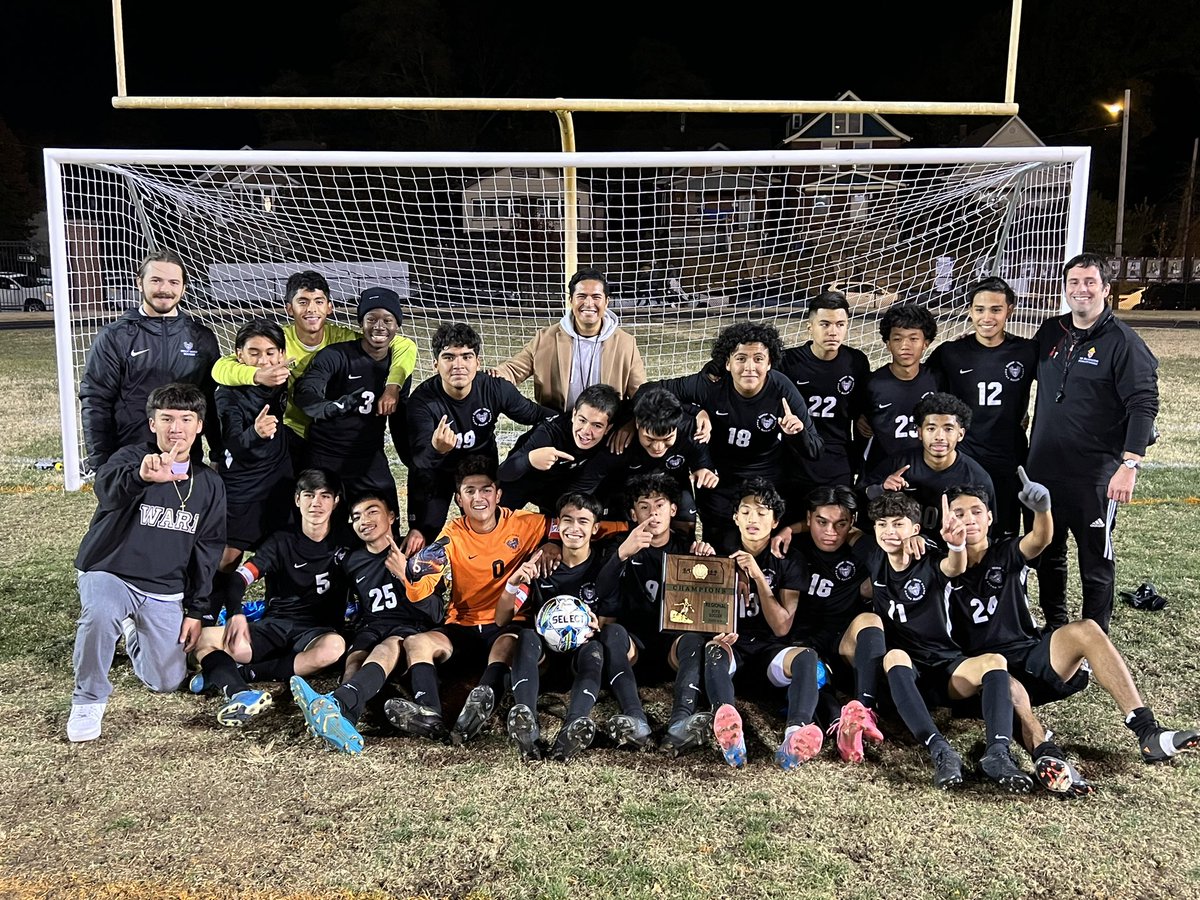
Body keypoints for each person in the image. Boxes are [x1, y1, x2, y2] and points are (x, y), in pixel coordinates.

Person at [944, 479, 1199, 786]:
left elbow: (1040, 539)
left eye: (976, 511)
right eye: (958, 513)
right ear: (945, 518)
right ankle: (1047, 755)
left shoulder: (1007, 551)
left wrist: (1042, 509)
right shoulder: (937, 564)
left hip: (1029, 656)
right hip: (982, 673)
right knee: (1004, 680)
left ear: (989, 518)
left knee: (1087, 629)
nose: (968, 519)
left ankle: (1147, 731)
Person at [68, 383, 226, 742]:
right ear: (152, 424)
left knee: (166, 680)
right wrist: (141, 476)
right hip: (110, 570)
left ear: (199, 426)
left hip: (164, 588)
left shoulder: (210, 484)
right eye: (166, 419)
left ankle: (131, 629)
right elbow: (107, 489)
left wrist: (196, 611)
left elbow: (208, 550)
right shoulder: (131, 459)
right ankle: (88, 700)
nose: (176, 428)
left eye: (186, 419)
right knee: (101, 613)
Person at [865, 491, 1033, 792]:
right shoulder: (874, 555)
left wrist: (955, 544)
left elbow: (955, 566)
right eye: (882, 525)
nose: (889, 532)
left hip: (946, 666)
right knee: (894, 656)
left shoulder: (930, 561)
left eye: (898, 524)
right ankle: (941, 750)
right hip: (908, 673)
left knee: (995, 661)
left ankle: (997, 753)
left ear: (915, 529)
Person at [1027, 253, 1160, 632]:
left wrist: (1129, 465)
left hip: (1094, 476)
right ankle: (1055, 627)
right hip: (1044, 471)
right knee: (1048, 554)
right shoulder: (1051, 331)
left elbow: (1143, 404)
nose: (1081, 290)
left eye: (1090, 282)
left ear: (1105, 288)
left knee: (1094, 561)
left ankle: (1092, 637)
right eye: (1074, 283)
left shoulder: (1124, 342)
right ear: (1065, 288)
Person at [398, 456, 558, 746]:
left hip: (506, 622)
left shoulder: (523, 523)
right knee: (416, 643)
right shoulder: (453, 534)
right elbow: (423, 586)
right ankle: (429, 714)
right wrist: (411, 578)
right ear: (459, 499)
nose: (479, 497)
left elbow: (567, 527)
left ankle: (479, 704)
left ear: (498, 494)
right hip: (463, 625)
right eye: (469, 491)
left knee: (508, 646)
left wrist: (553, 543)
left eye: (485, 490)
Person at [211, 270, 416, 472]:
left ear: (329, 307)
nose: (311, 309)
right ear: (289, 309)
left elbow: (405, 345)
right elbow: (221, 368)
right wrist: (257, 375)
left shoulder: (342, 338)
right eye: (303, 302)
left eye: (318, 301)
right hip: (289, 431)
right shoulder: (277, 341)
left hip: (329, 435)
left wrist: (392, 386)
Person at [190, 468, 348, 728]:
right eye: (309, 495)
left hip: (318, 631)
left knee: (333, 649)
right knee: (204, 638)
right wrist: (235, 614)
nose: (316, 503)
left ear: (336, 501)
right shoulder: (280, 541)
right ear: (297, 500)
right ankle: (240, 692)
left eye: (325, 496)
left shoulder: (347, 541)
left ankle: (241, 673)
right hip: (274, 626)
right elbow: (239, 579)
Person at [646, 322, 822, 550]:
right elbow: (650, 391)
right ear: (727, 363)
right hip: (718, 478)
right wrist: (694, 413)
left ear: (769, 363)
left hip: (765, 480)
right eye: (741, 358)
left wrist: (797, 433)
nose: (750, 367)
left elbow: (815, 449)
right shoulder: (710, 385)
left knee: (763, 548)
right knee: (718, 550)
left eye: (758, 359)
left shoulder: (782, 389)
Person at [290, 493, 443, 754]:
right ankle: (344, 723)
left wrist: (406, 575)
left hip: (409, 628)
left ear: (392, 517)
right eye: (357, 517)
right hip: (371, 626)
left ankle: (336, 703)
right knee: (354, 659)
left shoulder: (417, 554)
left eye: (372, 512)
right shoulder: (351, 562)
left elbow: (436, 612)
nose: (364, 521)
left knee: (387, 646)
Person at [593, 473, 717, 756]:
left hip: (673, 647)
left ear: (673, 509)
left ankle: (680, 721)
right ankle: (635, 718)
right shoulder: (620, 544)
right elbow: (601, 590)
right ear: (633, 513)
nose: (653, 513)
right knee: (611, 633)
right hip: (633, 647)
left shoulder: (687, 547)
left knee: (694, 637)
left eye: (659, 505)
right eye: (644, 506)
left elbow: (709, 603)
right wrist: (622, 554)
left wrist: (708, 564)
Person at [406, 322, 555, 552]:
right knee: (421, 536)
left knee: (492, 526)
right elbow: (419, 461)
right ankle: (418, 582)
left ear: (478, 362)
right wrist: (438, 448)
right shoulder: (421, 401)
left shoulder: (494, 388)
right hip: (438, 473)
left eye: (466, 357)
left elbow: (535, 415)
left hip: (482, 469)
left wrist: (578, 423)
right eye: (449, 357)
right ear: (435, 364)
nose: (458, 365)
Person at [80, 250, 222, 473]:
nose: (164, 289)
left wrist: (217, 453)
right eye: (156, 280)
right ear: (140, 283)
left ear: (183, 287)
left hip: (185, 458)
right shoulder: (115, 337)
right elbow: (96, 402)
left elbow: (212, 402)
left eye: (173, 282)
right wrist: (101, 466)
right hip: (129, 459)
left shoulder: (201, 338)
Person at [496, 492, 614, 760]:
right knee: (525, 635)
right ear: (558, 525)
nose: (574, 528)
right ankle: (526, 722)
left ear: (595, 528)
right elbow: (502, 618)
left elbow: (613, 616)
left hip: (582, 663)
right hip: (543, 662)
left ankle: (573, 726)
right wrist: (512, 585)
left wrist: (601, 623)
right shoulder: (540, 566)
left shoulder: (602, 565)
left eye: (583, 522)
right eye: (567, 520)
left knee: (594, 647)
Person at [699, 478, 805, 769]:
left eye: (762, 512)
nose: (753, 519)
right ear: (735, 517)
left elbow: (782, 627)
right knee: (712, 648)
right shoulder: (719, 552)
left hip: (771, 652)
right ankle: (727, 723)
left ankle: (795, 736)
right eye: (745, 511)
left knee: (807, 657)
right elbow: (698, 610)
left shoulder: (789, 558)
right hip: (733, 647)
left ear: (775, 521)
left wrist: (758, 577)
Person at [778, 486, 887, 767]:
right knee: (812, 677)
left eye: (841, 524)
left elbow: (883, 557)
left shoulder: (861, 550)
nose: (831, 532)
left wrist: (856, 534)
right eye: (821, 522)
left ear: (852, 523)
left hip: (842, 643)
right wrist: (791, 529)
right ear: (808, 518)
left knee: (870, 620)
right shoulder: (791, 547)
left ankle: (864, 711)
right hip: (801, 644)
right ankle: (840, 726)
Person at [927, 277, 1038, 539]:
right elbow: (920, 390)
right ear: (970, 311)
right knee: (962, 534)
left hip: (1009, 458)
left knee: (1003, 535)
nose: (986, 317)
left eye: (996, 309)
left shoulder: (1027, 351)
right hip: (964, 459)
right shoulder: (950, 353)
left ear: (1009, 310)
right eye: (979, 309)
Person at [293, 287, 409, 513]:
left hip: (369, 456)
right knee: (318, 522)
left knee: (388, 520)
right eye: (371, 319)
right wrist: (332, 407)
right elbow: (305, 392)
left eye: (387, 319)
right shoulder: (336, 355)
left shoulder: (398, 369)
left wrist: (413, 457)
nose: (379, 326)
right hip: (325, 455)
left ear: (397, 325)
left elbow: (399, 419)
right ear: (361, 323)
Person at [210, 319, 294, 620]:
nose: (265, 360)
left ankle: (280, 613)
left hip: (280, 480)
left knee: (282, 549)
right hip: (243, 483)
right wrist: (255, 433)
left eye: (271, 353)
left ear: (282, 355)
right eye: (254, 352)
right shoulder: (227, 393)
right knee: (229, 557)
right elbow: (230, 444)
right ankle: (207, 612)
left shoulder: (284, 379)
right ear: (239, 355)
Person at [491, 268, 645, 412]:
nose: (589, 303)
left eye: (596, 297)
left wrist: (629, 425)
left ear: (606, 301)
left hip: (607, 428)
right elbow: (513, 370)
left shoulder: (626, 344)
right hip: (558, 424)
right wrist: (486, 378)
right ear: (571, 300)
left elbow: (641, 396)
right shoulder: (545, 339)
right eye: (582, 296)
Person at [863, 392, 995, 536]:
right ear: (919, 432)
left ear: (961, 434)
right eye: (931, 428)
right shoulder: (897, 465)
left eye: (948, 429)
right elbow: (859, 500)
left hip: (953, 552)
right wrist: (881, 488)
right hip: (906, 551)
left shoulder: (977, 478)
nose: (939, 437)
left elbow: (987, 531)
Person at [777, 290, 871, 489]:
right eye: (825, 324)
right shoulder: (787, 362)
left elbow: (859, 412)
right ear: (810, 327)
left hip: (837, 459)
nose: (833, 331)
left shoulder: (856, 361)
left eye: (840, 324)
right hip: (794, 459)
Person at [599, 387, 718, 531]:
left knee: (687, 518)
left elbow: (703, 465)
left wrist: (705, 472)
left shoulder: (692, 430)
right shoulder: (620, 437)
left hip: (673, 485)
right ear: (637, 425)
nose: (658, 447)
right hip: (628, 488)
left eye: (667, 439)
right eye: (650, 439)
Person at [497, 384, 624, 514]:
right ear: (574, 414)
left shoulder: (613, 435)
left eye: (597, 425)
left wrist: (629, 426)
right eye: (582, 420)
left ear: (608, 428)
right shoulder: (548, 434)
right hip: (522, 480)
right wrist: (530, 459)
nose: (586, 431)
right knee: (496, 519)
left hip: (557, 489)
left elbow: (637, 404)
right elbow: (503, 472)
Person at [860, 303, 939, 471]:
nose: (905, 346)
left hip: (926, 471)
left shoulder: (937, 380)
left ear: (926, 343)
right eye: (897, 338)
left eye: (913, 338)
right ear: (887, 344)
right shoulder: (871, 384)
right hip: (882, 472)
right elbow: (860, 420)